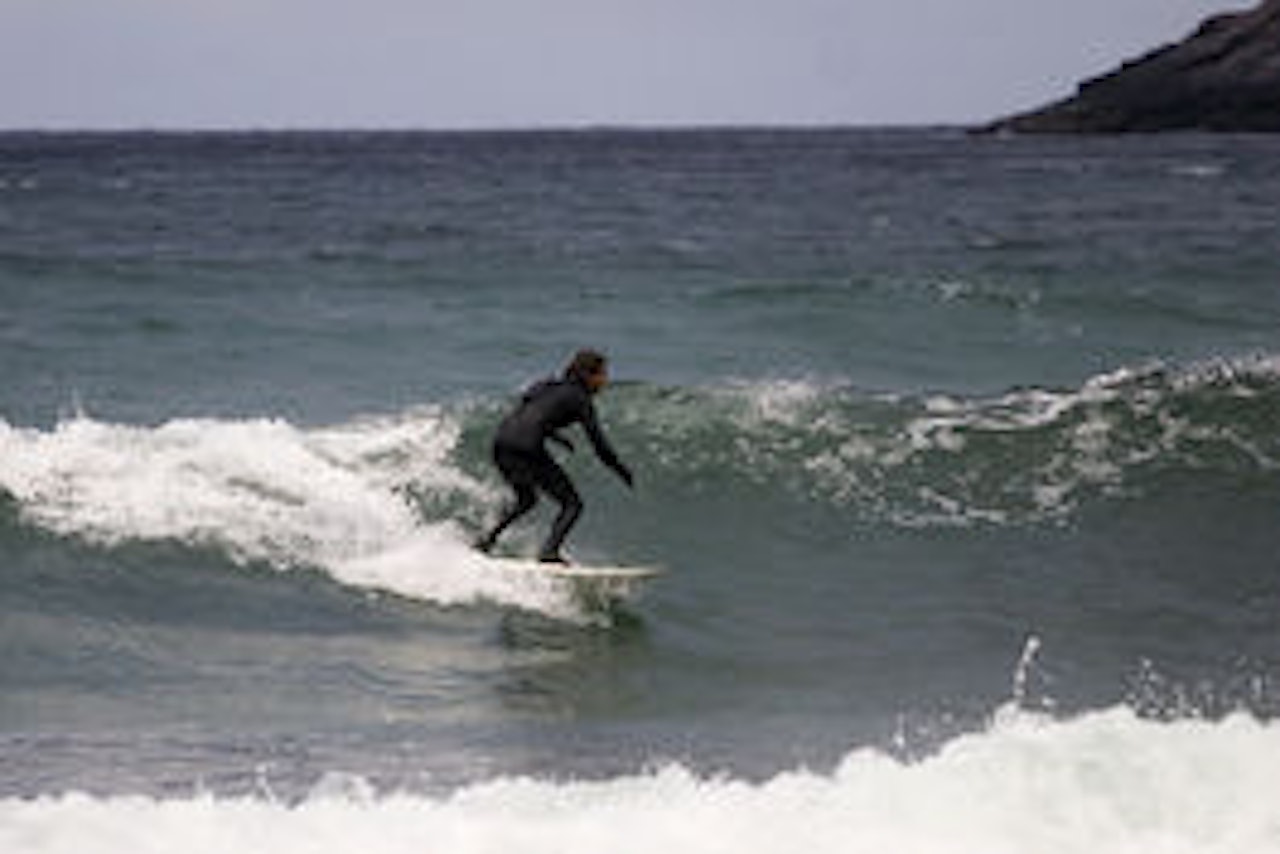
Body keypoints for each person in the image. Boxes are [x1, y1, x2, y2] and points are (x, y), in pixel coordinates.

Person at [475, 349, 634, 563]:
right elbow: (600, 445)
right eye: (602, 375)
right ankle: (549, 553)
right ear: (589, 375)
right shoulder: (581, 399)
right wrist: (621, 470)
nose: (605, 381)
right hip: (526, 448)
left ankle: (486, 540)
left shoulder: (547, 386)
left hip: (502, 443)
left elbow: (529, 412)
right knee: (572, 505)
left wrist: (554, 436)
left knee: (526, 500)